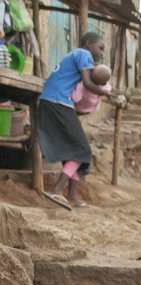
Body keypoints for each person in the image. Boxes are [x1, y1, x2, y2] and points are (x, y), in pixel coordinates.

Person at [38, 32, 112, 210]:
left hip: (51, 101)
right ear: (88, 44)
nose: (101, 53)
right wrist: (104, 93)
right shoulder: (83, 54)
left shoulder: (73, 56)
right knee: (82, 149)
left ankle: (72, 195)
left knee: (73, 149)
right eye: (100, 48)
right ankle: (56, 189)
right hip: (58, 102)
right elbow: (87, 83)